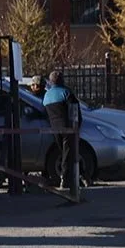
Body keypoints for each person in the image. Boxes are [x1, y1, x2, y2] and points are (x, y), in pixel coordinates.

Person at [41, 69, 84, 197]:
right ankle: (68, 180)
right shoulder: (66, 92)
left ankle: (67, 178)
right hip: (68, 128)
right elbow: (75, 110)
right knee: (69, 154)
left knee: (63, 153)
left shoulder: (47, 96)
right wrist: (77, 126)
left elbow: (45, 112)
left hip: (54, 129)